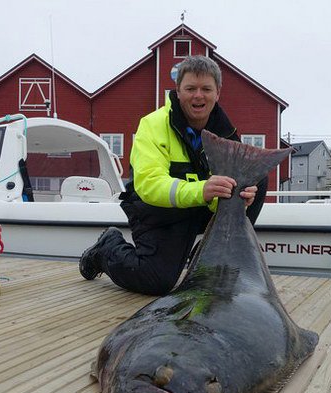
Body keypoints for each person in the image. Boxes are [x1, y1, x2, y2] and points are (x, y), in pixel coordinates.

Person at [79, 55, 268, 295]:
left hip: (198, 207)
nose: (198, 95)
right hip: (158, 212)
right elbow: (149, 185)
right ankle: (107, 247)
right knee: (156, 282)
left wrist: (241, 197)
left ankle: (209, 256)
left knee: (255, 177)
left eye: (206, 89)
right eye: (190, 88)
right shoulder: (152, 125)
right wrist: (203, 191)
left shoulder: (227, 131)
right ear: (178, 91)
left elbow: (224, 193)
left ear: (217, 93)